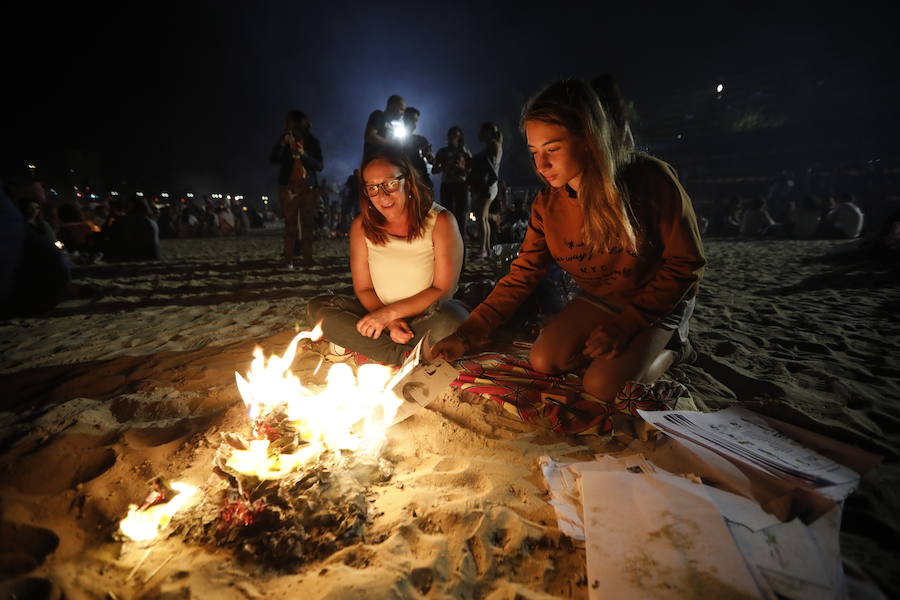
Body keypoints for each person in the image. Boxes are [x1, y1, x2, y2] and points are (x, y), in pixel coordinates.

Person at [432, 78, 706, 406]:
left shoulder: (649, 181)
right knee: (544, 360)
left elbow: (686, 263)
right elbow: (521, 276)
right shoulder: (548, 205)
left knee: (603, 386)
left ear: (588, 139)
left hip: (658, 302)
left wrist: (628, 325)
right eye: (534, 152)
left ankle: (675, 348)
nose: (541, 165)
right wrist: (466, 335)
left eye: (553, 149)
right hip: (601, 297)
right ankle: (630, 352)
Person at [307, 149, 467, 366]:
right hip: (378, 315)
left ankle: (370, 345)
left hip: (427, 317)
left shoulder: (441, 221)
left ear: (408, 182)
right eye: (372, 188)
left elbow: (443, 290)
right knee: (319, 307)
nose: (382, 195)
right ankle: (402, 356)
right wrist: (390, 323)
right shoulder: (360, 227)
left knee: (454, 320)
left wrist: (388, 315)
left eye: (390, 184)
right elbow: (364, 289)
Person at [270, 110, 324, 268]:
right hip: (288, 187)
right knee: (290, 225)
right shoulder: (284, 140)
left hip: (308, 187)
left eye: (291, 122)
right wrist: (282, 144)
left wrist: (303, 155)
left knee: (307, 225)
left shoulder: (312, 142)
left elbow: (320, 166)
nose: (288, 125)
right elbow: (273, 159)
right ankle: (288, 260)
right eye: (288, 123)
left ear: (301, 124)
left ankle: (308, 259)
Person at [468, 122, 503, 258]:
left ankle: (483, 249)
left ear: (488, 132)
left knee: (481, 218)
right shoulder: (494, 145)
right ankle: (487, 249)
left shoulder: (493, 145)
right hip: (490, 185)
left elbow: (491, 167)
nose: (480, 135)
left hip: (487, 185)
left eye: (482, 132)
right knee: (483, 218)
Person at [432, 126, 472, 240]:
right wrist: (445, 167)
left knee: (462, 214)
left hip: (461, 185)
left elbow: (471, 169)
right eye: (451, 135)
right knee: (447, 213)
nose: (452, 138)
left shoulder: (464, 151)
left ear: (460, 137)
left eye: (455, 135)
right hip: (447, 184)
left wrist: (461, 167)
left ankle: (462, 239)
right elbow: (434, 170)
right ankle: (448, 238)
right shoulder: (442, 152)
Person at [400, 106, 434, 188]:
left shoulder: (421, 140)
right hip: (406, 182)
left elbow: (431, 161)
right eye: (411, 119)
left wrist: (428, 156)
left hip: (422, 181)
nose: (414, 123)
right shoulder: (395, 142)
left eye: (416, 120)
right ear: (405, 120)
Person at [363, 94, 405, 159]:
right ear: (391, 105)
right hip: (373, 161)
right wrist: (393, 144)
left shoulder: (393, 126)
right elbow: (369, 136)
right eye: (401, 109)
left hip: (387, 162)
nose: (403, 113)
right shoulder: (379, 115)